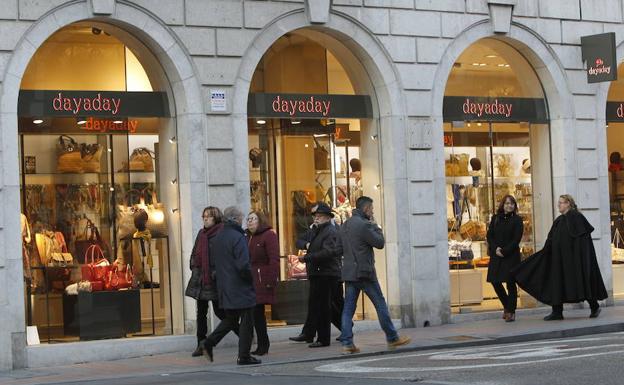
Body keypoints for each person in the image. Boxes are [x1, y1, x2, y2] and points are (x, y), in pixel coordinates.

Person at [513, 194, 608, 320]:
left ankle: (594, 306)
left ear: (568, 203)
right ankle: (557, 311)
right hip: (559, 259)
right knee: (557, 282)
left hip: (574, 261)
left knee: (582, 282)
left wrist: (580, 259)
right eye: (559, 202)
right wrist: (545, 251)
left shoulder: (577, 217)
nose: (559, 205)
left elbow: (583, 243)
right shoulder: (559, 220)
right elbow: (551, 238)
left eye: (561, 202)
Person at [338, 196, 411, 354]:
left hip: (350, 273)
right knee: (380, 304)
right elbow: (380, 243)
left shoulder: (344, 225)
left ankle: (347, 342)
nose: (372, 211)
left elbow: (338, 248)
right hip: (365, 272)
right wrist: (376, 226)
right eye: (371, 209)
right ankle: (392, 338)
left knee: (348, 309)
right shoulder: (365, 225)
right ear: (365, 209)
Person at [203, 206, 259, 365]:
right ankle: (244, 356)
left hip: (224, 285)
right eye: (241, 217)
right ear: (235, 219)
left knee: (231, 319)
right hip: (239, 285)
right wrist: (250, 279)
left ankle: (208, 343)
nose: (243, 220)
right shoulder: (238, 236)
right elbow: (243, 265)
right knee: (247, 320)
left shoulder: (219, 236)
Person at [289, 202, 343, 348]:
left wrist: (307, 257)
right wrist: (307, 246)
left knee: (324, 307)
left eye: (319, 216)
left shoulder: (330, 232)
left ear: (327, 217)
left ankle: (324, 338)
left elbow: (328, 252)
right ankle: (310, 334)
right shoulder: (315, 230)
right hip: (317, 273)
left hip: (327, 274)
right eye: (315, 216)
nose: (316, 218)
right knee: (316, 305)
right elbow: (299, 240)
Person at [187, 206, 231, 357]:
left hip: (214, 279)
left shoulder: (221, 233)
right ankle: (201, 343)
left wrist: (215, 273)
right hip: (200, 278)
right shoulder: (201, 233)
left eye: (209, 216)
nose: (205, 219)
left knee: (220, 311)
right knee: (201, 312)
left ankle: (243, 333)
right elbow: (194, 252)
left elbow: (224, 256)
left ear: (216, 218)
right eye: (204, 216)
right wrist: (193, 265)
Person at [245, 211, 279, 356]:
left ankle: (263, 345)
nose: (250, 222)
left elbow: (274, 259)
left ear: (260, 221)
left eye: (253, 219)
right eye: (248, 219)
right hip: (250, 279)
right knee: (255, 314)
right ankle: (262, 343)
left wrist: (271, 280)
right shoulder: (247, 237)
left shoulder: (269, 235)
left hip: (261, 279)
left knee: (257, 313)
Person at [486, 195, 523, 323]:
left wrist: (505, 251)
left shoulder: (518, 220)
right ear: (503, 205)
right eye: (507, 203)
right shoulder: (495, 218)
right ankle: (507, 306)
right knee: (494, 281)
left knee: (510, 284)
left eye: (512, 204)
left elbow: (516, 239)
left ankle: (511, 312)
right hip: (497, 255)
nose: (509, 206)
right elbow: (489, 235)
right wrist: (495, 248)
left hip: (511, 255)